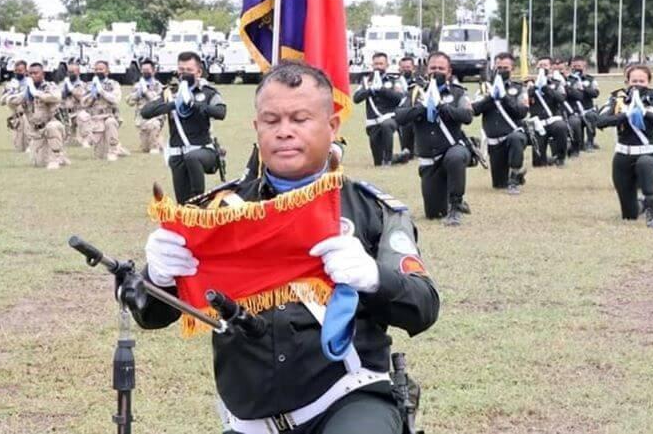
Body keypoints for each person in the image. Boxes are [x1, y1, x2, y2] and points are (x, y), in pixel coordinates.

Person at [130, 60, 439, 434]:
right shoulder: (216, 213)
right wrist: (158, 277)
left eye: (300, 118)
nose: (284, 132)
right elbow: (151, 315)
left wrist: (375, 279)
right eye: (272, 121)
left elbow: (422, 307)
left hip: (348, 399)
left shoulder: (372, 210)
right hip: (250, 422)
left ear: (332, 126)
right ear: (257, 127)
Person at [395, 51, 473, 226]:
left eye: (441, 68)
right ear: (426, 70)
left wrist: (442, 107)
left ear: (449, 71)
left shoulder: (457, 93)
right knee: (434, 213)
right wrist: (422, 107)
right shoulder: (415, 93)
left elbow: (467, 116)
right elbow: (399, 116)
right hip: (429, 159)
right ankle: (446, 199)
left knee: (456, 157)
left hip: (452, 149)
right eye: (433, 68)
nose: (436, 71)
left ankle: (455, 204)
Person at [596, 65, 653, 228]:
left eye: (642, 81)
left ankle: (652, 213)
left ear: (648, 82)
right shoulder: (617, 100)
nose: (637, 84)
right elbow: (600, 121)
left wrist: (646, 113)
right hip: (623, 156)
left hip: (649, 154)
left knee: (645, 164)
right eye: (634, 81)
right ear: (627, 81)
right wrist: (626, 114)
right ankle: (641, 205)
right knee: (629, 215)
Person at [141, 51, 226, 204]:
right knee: (183, 203)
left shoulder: (206, 92)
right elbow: (146, 112)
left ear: (199, 72)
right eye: (181, 70)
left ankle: (200, 201)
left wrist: (195, 105)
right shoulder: (170, 93)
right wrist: (175, 104)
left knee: (192, 159)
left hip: (202, 150)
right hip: (177, 153)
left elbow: (221, 112)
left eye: (189, 70)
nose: (184, 74)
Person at [473, 52, 529, 194]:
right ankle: (517, 175)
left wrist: (504, 98)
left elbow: (522, 112)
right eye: (499, 67)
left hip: (513, 135)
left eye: (506, 68)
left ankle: (515, 177)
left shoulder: (519, 89)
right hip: (494, 142)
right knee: (498, 185)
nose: (502, 71)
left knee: (516, 138)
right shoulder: (485, 88)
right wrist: (491, 98)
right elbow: (474, 110)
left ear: (512, 69)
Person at [6, 63, 69, 169]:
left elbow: (56, 97)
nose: (32, 76)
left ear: (42, 74)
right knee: (39, 163)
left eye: (35, 73)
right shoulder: (27, 90)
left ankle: (56, 157)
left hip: (52, 125)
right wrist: (23, 94)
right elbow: (10, 102)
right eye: (30, 73)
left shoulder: (49, 86)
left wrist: (36, 93)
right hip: (36, 132)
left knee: (52, 127)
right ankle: (61, 157)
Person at [353, 53, 404, 166]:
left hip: (389, 117)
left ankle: (388, 160)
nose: (378, 66)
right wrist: (369, 91)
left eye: (381, 64)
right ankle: (398, 157)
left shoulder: (393, 80)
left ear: (387, 65)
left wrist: (382, 90)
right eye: (376, 64)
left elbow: (399, 98)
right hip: (373, 121)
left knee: (386, 125)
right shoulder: (366, 81)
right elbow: (356, 99)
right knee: (378, 162)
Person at [526, 56, 569, 167]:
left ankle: (560, 157)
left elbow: (562, 98)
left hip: (553, 119)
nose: (542, 68)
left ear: (550, 68)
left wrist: (546, 88)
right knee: (538, 164)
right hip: (538, 122)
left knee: (561, 127)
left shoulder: (557, 84)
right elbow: (524, 102)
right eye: (540, 65)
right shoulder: (529, 85)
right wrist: (533, 89)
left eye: (545, 65)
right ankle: (546, 159)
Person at [82, 61, 129, 161]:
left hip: (109, 115)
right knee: (99, 156)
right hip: (95, 119)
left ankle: (113, 150)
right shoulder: (89, 85)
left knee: (110, 123)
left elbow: (115, 99)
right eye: (96, 69)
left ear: (107, 71)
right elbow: (83, 103)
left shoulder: (113, 84)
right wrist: (92, 96)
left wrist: (102, 92)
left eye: (101, 69)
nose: (98, 71)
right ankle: (119, 148)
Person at [126, 60, 164, 154]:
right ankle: (160, 143)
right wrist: (138, 93)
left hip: (155, 116)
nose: (145, 72)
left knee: (154, 125)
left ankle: (155, 146)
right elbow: (129, 102)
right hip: (142, 117)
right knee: (145, 149)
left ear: (153, 71)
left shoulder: (158, 85)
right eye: (143, 70)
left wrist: (146, 91)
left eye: (147, 70)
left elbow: (156, 100)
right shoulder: (138, 85)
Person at [566, 56, 600, 151]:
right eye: (574, 66)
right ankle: (579, 144)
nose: (576, 68)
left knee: (591, 116)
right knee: (575, 122)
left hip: (587, 110)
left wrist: (584, 88)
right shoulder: (567, 80)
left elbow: (596, 93)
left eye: (579, 66)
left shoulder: (590, 79)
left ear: (585, 67)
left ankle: (590, 142)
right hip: (574, 111)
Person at [0, 60, 31, 152]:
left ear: (25, 71)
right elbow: (2, 101)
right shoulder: (10, 84)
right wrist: (10, 92)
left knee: (29, 141)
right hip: (16, 117)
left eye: (20, 70)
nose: (18, 72)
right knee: (19, 147)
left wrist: (19, 94)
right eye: (16, 70)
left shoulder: (29, 82)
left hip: (28, 115)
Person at [392, 56, 419, 164]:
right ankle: (407, 151)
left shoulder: (420, 81)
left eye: (408, 67)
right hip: (401, 113)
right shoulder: (394, 81)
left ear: (413, 68)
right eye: (403, 67)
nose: (406, 69)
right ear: (399, 68)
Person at [61, 62, 91, 147]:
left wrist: (70, 87)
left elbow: (80, 96)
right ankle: (70, 139)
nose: (70, 74)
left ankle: (86, 140)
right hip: (66, 113)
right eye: (69, 72)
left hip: (78, 111)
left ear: (78, 72)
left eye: (72, 72)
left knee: (83, 116)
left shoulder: (83, 84)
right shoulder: (63, 84)